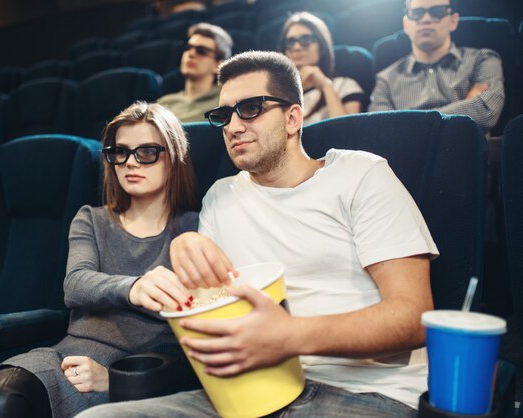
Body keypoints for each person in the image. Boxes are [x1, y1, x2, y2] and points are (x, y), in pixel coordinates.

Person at [76, 51, 439, 418]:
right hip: (247, 390)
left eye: (250, 108)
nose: (233, 127)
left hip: (362, 391)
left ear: (293, 118)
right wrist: (185, 245)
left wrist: (289, 336)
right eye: (224, 115)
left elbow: (413, 317)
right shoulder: (219, 196)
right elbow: (212, 307)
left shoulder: (361, 175)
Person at [0, 102, 199, 418]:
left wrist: (114, 378)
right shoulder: (92, 219)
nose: (130, 163)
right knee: (1, 400)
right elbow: (75, 284)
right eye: (120, 152)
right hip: (67, 357)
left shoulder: (194, 228)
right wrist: (134, 288)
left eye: (146, 152)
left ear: (173, 157)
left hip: (142, 368)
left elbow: (188, 329)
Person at [369, 0, 505, 133]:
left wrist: (407, 124)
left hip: (467, 153)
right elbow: (380, 131)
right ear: (406, 24)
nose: (426, 19)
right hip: (405, 156)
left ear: (453, 21)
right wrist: (464, 111)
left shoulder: (482, 60)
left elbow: (486, 110)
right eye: (416, 13)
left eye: (437, 11)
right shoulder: (385, 79)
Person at [279, 12, 364, 125]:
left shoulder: (345, 85)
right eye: (290, 41)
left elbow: (345, 134)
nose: (297, 47)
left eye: (306, 39)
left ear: (322, 46)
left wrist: (325, 85)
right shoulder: (279, 95)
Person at [157, 22, 233, 122]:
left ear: (218, 65)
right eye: (188, 47)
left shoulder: (226, 100)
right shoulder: (163, 104)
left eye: (201, 51)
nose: (191, 53)